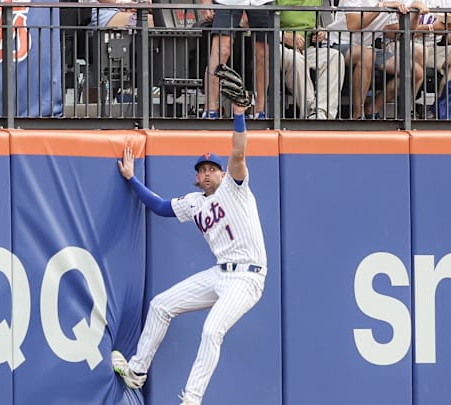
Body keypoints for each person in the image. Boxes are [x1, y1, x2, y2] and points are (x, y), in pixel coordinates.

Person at [112, 99, 267, 405]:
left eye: (212, 169)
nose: (207, 173)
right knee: (160, 305)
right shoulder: (194, 202)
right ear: (196, 178)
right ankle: (136, 371)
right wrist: (131, 179)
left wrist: (238, 116)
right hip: (220, 272)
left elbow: (238, 152)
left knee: (211, 331)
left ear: (222, 174)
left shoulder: (235, 188)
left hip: (248, 277)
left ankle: (191, 400)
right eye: (202, 170)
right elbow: (158, 205)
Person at [325, 0, 425, 118]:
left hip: (367, 48)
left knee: (416, 72)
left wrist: (415, 10)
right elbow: (354, 25)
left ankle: (373, 108)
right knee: (367, 54)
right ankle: (358, 115)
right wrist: (381, 7)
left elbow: (406, 30)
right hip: (336, 43)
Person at [200, 0, 274, 119]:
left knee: (264, 53)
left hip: (261, 2)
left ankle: (259, 109)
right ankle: (210, 108)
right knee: (221, 50)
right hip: (227, 2)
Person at [278, 0, 346, 119]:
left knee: (335, 56)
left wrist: (320, 31)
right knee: (296, 60)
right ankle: (311, 112)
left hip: (307, 48)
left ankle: (322, 113)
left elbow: (319, 23)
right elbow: (259, 22)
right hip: (277, 47)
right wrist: (283, 36)